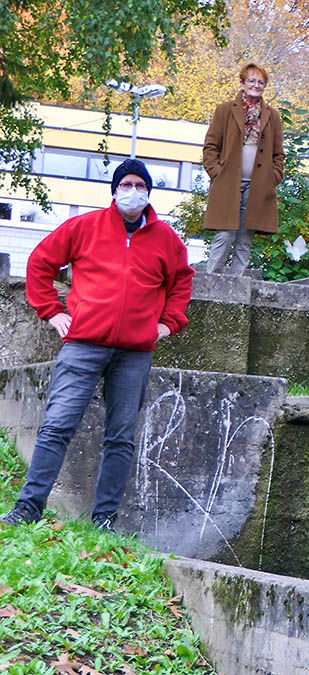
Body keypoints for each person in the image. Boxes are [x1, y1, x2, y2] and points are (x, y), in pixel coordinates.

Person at [0, 159, 194, 529]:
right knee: (56, 427)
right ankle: (27, 509)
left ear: (149, 192)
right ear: (115, 190)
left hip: (135, 353)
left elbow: (182, 283)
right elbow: (40, 263)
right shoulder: (84, 226)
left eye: (140, 185)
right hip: (83, 345)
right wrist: (52, 312)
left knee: (120, 438)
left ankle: (104, 519)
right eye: (127, 184)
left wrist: (167, 325)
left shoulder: (166, 239)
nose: (133, 191)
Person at [202, 62, 285, 276]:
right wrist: (217, 173)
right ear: (242, 82)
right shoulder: (225, 110)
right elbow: (211, 146)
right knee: (225, 234)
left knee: (245, 237)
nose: (256, 85)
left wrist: (273, 177)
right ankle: (211, 278)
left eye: (261, 82)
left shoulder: (272, 116)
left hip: (257, 186)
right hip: (228, 182)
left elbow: (278, 153)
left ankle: (236, 281)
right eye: (252, 81)